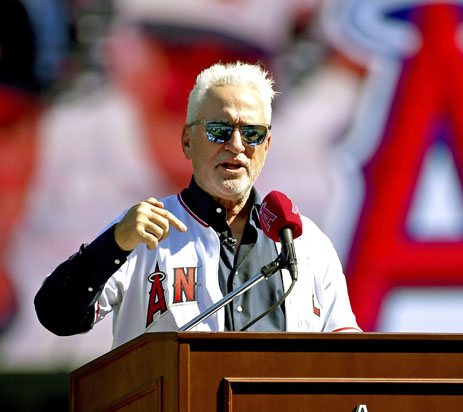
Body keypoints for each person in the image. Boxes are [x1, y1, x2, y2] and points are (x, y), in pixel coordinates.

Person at [34, 61, 361, 349]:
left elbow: (346, 353)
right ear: (188, 141)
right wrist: (115, 243)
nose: (236, 145)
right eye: (219, 131)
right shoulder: (141, 232)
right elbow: (57, 315)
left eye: (252, 133)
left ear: (267, 144)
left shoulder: (307, 242)